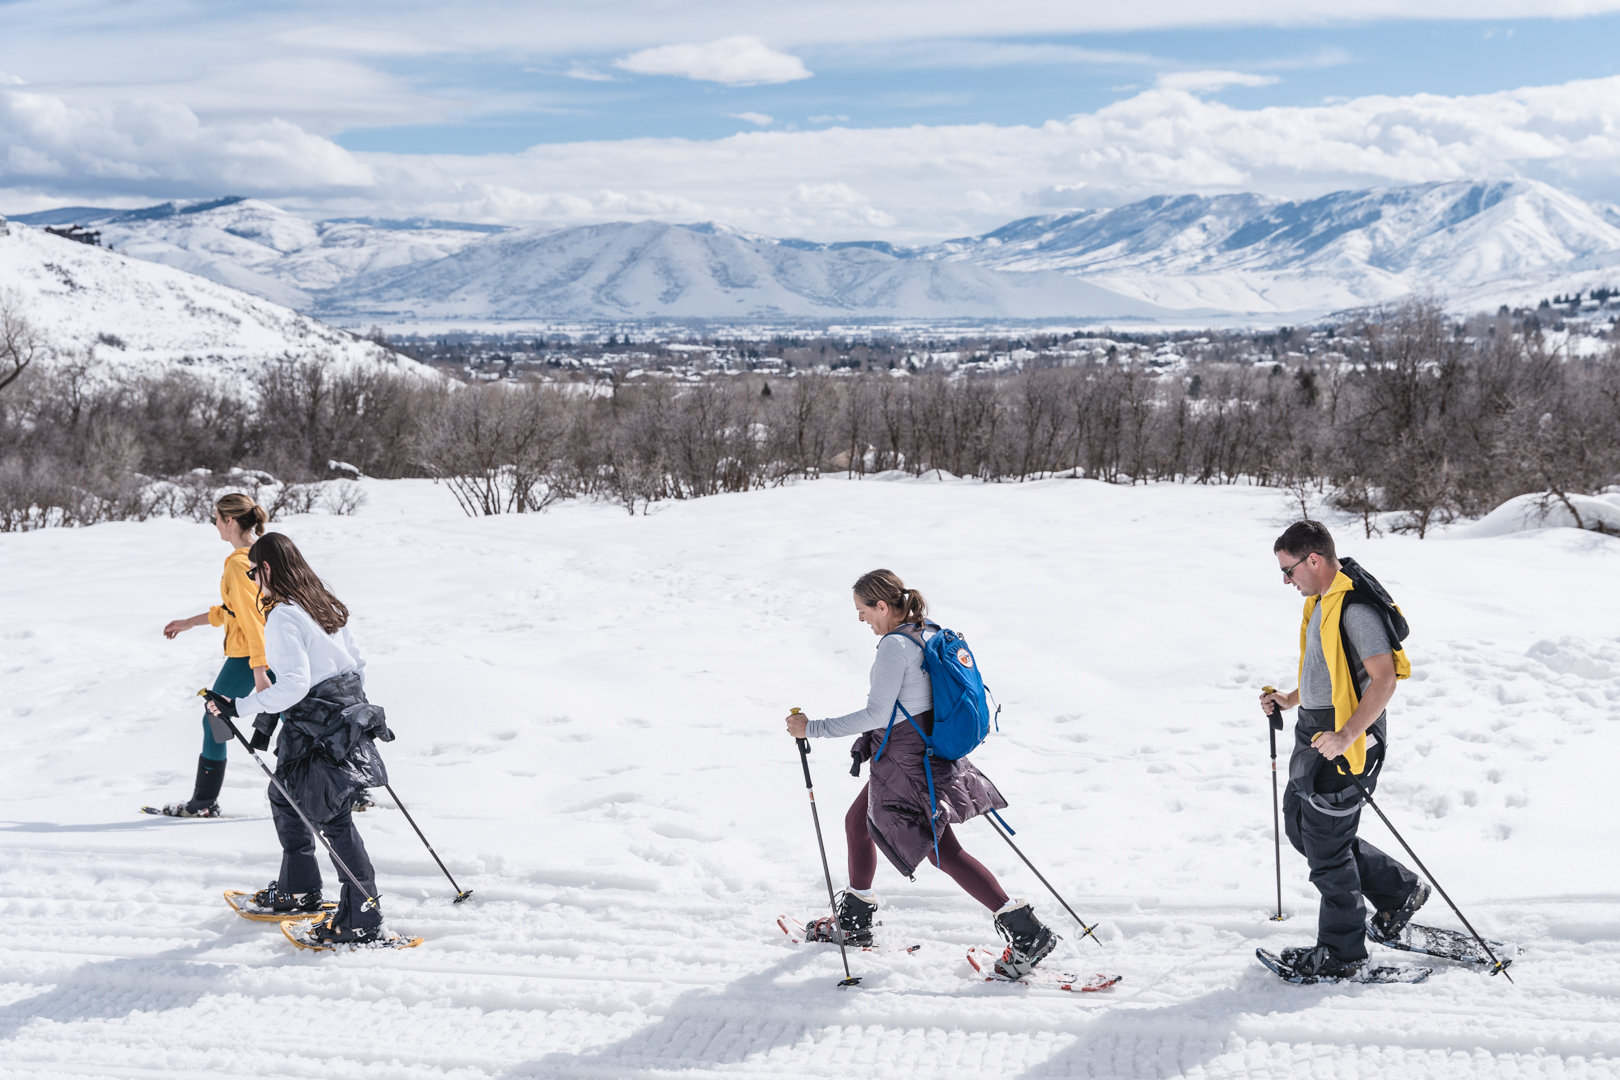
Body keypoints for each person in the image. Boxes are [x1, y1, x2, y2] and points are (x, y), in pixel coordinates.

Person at [784, 569, 1059, 978]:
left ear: (882, 605)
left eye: (863, 610)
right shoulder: (927, 631)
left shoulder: (895, 646)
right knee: (859, 824)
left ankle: (1025, 933)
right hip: (924, 750)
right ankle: (856, 922)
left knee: (942, 851)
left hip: (906, 761)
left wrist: (813, 728)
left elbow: (878, 713)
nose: (861, 620)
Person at [204, 531, 394, 944]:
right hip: (336, 712)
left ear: (267, 568)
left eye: (254, 571)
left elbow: (292, 683)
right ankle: (299, 890)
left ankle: (362, 917)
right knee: (284, 794)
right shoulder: (321, 602)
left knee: (331, 813)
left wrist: (239, 707)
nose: (253, 580)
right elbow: (358, 662)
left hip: (316, 721)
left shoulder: (285, 615)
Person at [1260, 520, 1428, 978]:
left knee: (1327, 850)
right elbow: (1329, 668)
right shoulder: (1320, 600)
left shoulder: (1355, 608)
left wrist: (1347, 736)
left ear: (1313, 560)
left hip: (1345, 741)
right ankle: (1397, 892)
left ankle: (1342, 954)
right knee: (1302, 829)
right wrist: (1291, 699)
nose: (1286, 580)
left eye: (1288, 570)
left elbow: (1384, 680)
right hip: (1315, 733)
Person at [158, 493, 272, 816]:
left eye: (217, 519)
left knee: (214, 717)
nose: (215, 525)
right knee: (297, 720)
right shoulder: (262, 553)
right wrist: (189, 623)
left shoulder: (239, 563)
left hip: (250, 655)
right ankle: (344, 789)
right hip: (273, 649)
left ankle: (204, 803)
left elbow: (251, 619)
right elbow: (231, 611)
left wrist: (259, 667)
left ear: (230, 521)